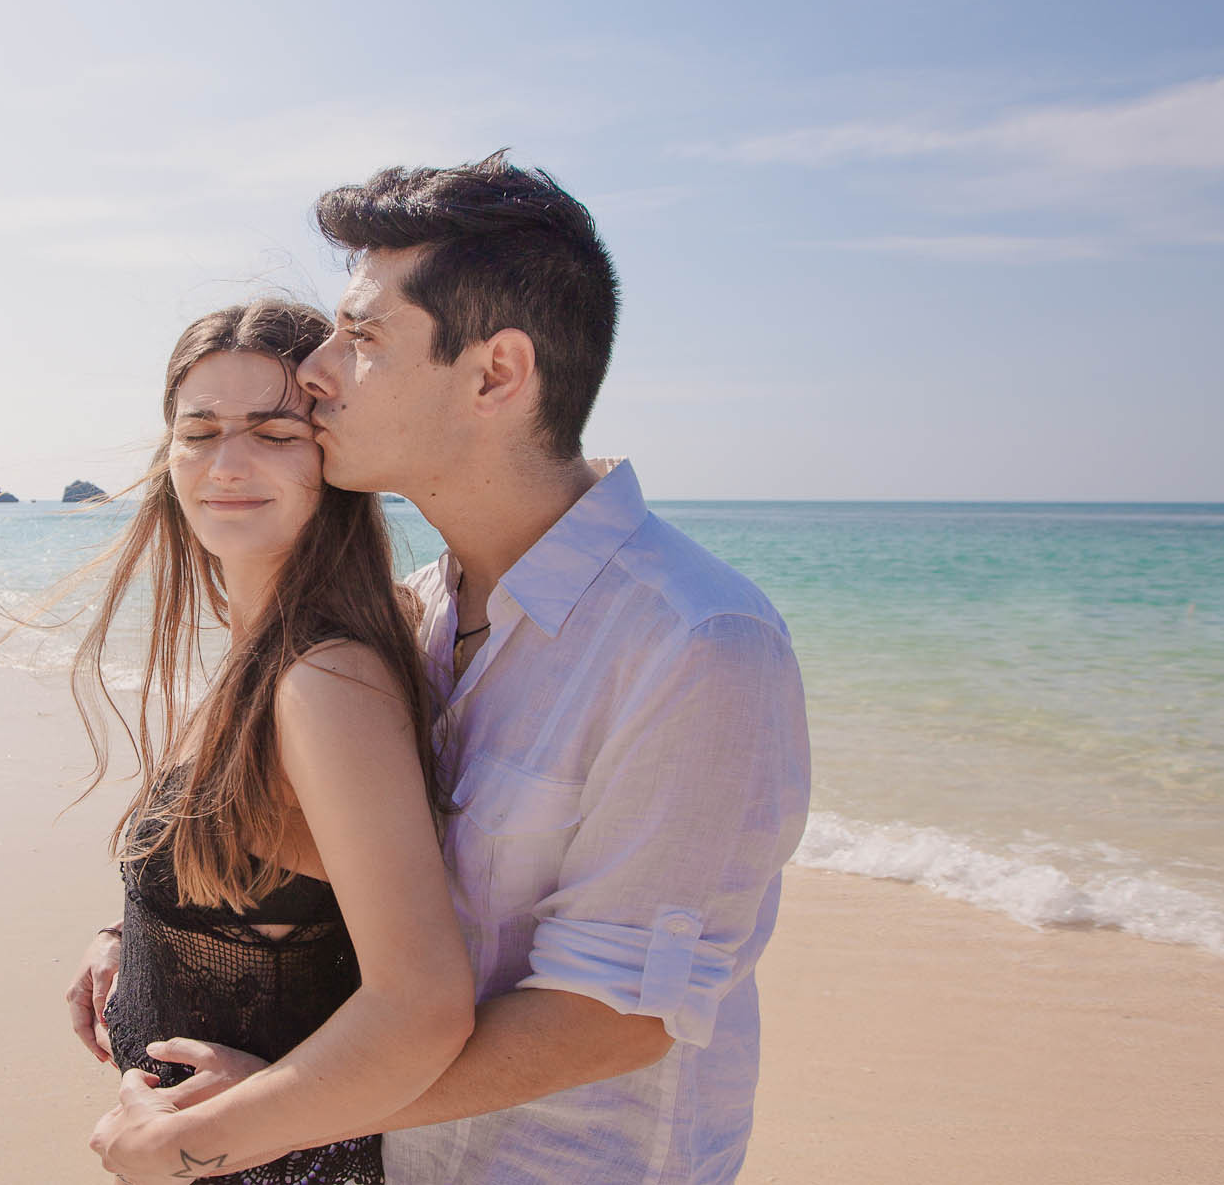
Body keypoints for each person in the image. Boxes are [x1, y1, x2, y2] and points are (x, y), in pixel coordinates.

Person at [79, 155, 811, 1184]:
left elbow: (613, 1019)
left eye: (362, 338)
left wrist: (255, 1118)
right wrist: (157, 933)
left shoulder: (694, 643)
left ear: (494, 375)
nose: (319, 371)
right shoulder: (416, 612)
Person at [71, 299, 475, 1184]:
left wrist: (177, 1148)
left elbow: (423, 1006)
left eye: (275, 432)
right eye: (200, 430)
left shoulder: (323, 681)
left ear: (335, 452)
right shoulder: (266, 650)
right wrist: (133, 935)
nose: (228, 463)